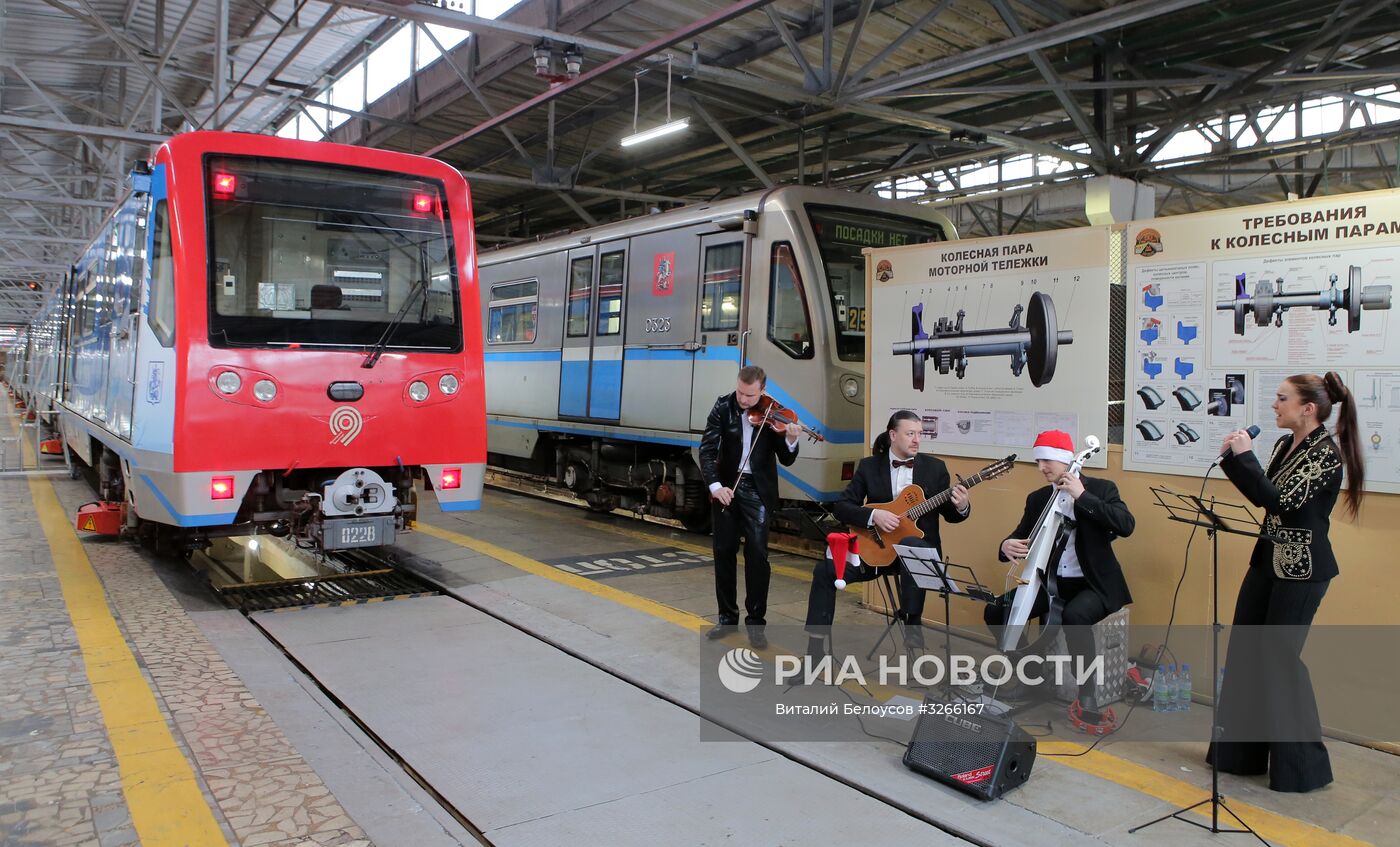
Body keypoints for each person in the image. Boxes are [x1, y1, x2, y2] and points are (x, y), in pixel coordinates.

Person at [1209, 372, 1364, 793]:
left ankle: (1302, 770)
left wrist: (1246, 458)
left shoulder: (1326, 455)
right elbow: (1262, 495)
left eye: (1281, 399)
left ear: (1307, 408)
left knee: (1279, 660)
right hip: (1267, 561)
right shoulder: (1283, 443)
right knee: (1244, 651)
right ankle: (1239, 756)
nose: (1274, 406)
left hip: (1303, 570)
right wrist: (1232, 459)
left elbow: (1282, 501)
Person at [985, 429, 1135, 718]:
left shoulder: (1102, 489)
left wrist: (1082, 496)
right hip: (1049, 583)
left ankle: (1087, 693)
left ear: (1066, 460)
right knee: (995, 611)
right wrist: (1006, 546)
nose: (1042, 468)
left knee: (1075, 616)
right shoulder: (1038, 498)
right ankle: (1032, 676)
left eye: (1047, 461)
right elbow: (1021, 535)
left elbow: (1126, 525)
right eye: (1038, 461)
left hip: (1093, 584)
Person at [804, 410, 969, 652]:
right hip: (877, 553)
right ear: (893, 435)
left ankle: (913, 623)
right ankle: (815, 650)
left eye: (919, 434)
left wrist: (962, 505)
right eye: (910, 433)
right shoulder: (870, 467)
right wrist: (874, 515)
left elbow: (951, 515)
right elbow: (842, 507)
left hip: (916, 560)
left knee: (914, 544)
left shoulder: (935, 469)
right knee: (824, 571)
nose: (917, 440)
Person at [699, 365, 802, 649]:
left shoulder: (774, 412)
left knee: (758, 556)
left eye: (751, 395)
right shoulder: (723, 407)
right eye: (741, 393)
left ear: (763, 390)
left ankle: (756, 623)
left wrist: (791, 438)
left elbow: (787, 459)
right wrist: (716, 487)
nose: (744, 400)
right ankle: (726, 618)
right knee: (723, 552)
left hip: (757, 490)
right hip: (727, 487)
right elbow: (707, 449)